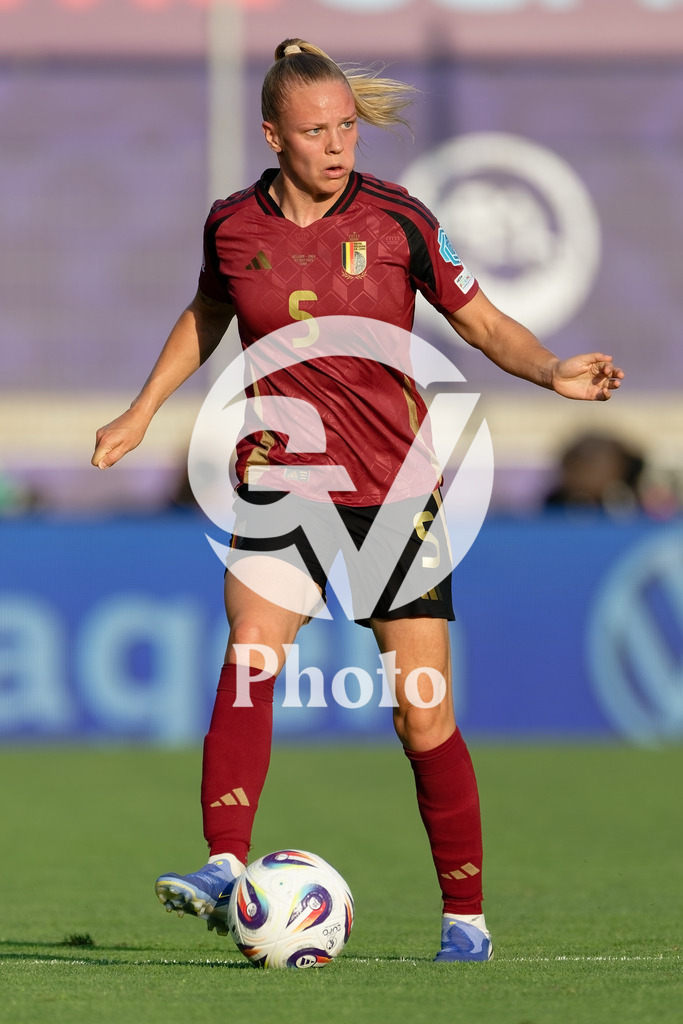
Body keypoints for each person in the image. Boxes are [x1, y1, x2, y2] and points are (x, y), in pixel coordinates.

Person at [91, 39, 624, 963]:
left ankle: (465, 922)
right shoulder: (231, 226)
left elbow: (481, 319)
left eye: (346, 126)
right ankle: (224, 862)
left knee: (421, 711)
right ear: (272, 135)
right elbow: (206, 312)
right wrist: (143, 410)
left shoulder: (398, 220)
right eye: (316, 130)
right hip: (280, 476)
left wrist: (550, 370)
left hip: (393, 490)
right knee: (254, 651)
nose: (338, 145)